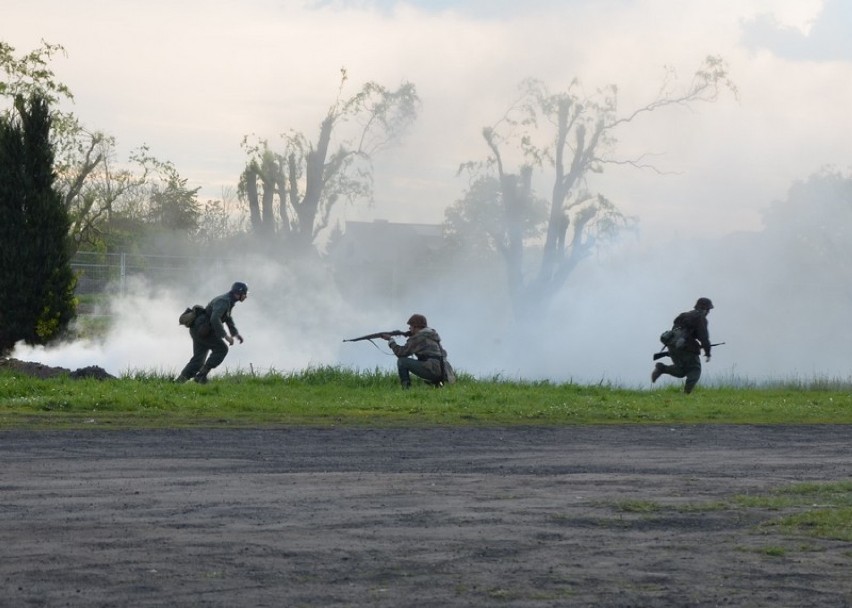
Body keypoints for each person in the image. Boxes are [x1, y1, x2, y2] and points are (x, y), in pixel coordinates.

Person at [177, 282, 248, 384]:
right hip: (202, 329)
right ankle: (201, 376)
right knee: (222, 349)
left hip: (199, 328)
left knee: (198, 360)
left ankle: (179, 382)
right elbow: (215, 318)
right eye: (245, 293)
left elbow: (227, 317)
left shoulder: (229, 301)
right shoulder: (224, 301)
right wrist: (225, 336)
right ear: (239, 293)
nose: (246, 296)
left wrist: (235, 334)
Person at [651, 297, 714, 394]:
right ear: (705, 309)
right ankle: (687, 394)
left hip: (672, 345)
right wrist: (708, 352)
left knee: (681, 371)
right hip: (685, 346)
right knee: (695, 369)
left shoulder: (683, 315)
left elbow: (677, 330)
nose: (709, 312)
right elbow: (704, 338)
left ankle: (661, 368)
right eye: (709, 309)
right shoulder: (700, 318)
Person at [381, 314, 455, 389]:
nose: (409, 328)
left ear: (416, 326)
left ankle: (406, 388)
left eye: (411, 326)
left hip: (433, 370)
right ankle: (436, 384)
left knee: (402, 362)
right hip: (444, 371)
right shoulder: (431, 335)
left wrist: (391, 341)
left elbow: (401, 353)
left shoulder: (419, 337)